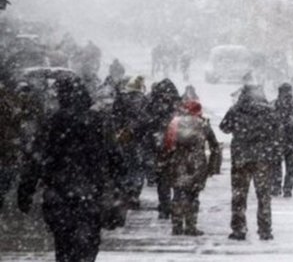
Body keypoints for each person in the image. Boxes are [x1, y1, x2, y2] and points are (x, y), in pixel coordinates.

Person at [17, 75, 125, 262]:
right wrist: (119, 182)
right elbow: (115, 155)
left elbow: (36, 158)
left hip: (59, 192)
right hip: (91, 191)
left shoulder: (52, 122)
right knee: (88, 240)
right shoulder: (100, 121)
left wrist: (26, 189)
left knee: (64, 242)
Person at [220, 84, 282, 241]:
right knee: (263, 195)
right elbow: (278, 132)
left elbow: (224, 127)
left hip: (241, 157)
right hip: (263, 158)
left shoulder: (236, 109)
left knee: (239, 195)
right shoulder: (269, 111)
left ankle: (239, 229)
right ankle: (265, 229)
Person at [163, 99, 221, 236]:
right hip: (197, 163)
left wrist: (165, 163)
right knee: (193, 195)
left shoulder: (174, 123)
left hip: (178, 162)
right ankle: (191, 226)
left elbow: (166, 144)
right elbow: (215, 147)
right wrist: (213, 167)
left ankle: (176, 226)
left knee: (177, 194)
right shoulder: (203, 124)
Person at [143, 78, 182, 218]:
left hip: (160, 146)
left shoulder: (152, 105)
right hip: (175, 146)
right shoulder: (177, 105)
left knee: (163, 178)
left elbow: (146, 124)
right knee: (175, 177)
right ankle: (175, 205)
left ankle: (165, 206)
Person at [111, 75, 148, 209]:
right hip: (138, 139)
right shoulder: (144, 100)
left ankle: (123, 191)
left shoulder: (121, 98)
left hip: (122, 138)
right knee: (137, 167)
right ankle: (134, 193)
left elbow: (114, 117)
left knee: (123, 165)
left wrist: (120, 130)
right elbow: (146, 120)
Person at [271, 83, 293, 198]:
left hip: (277, 140)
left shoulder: (274, 105)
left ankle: (276, 187)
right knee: (290, 167)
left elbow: (269, 124)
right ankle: (288, 188)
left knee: (276, 165)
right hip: (292, 141)